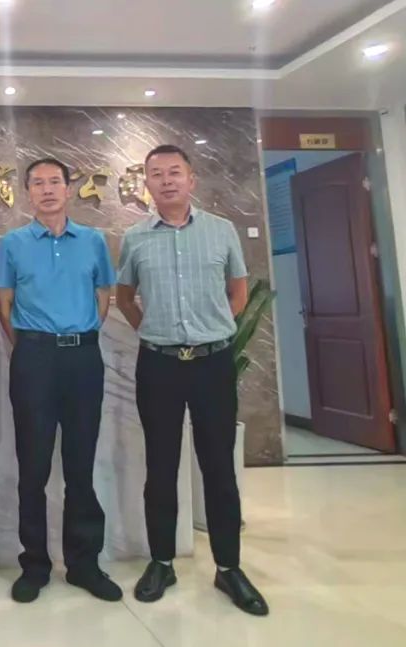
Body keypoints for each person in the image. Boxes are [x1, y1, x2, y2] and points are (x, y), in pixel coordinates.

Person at [116, 144, 269, 616]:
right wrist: (155, 332)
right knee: (160, 466)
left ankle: (229, 568)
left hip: (212, 364)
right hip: (158, 365)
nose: (166, 181)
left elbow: (238, 292)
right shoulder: (136, 238)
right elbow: (125, 298)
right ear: (147, 183)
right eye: (156, 174)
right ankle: (162, 562)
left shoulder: (221, 231)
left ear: (191, 179)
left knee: (218, 466)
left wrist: (211, 330)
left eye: (174, 172)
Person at [0, 158, 122, 604]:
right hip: (34, 359)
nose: (47, 189)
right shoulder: (12, 244)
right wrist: (35, 345)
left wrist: (77, 334)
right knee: (32, 468)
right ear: (28, 192)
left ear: (68, 189)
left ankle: (84, 565)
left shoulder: (92, 241)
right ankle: (34, 565)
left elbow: (104, 296)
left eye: (55, 182)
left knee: (80, 466)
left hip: (83, 358)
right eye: (37, 183)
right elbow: (5, 304)